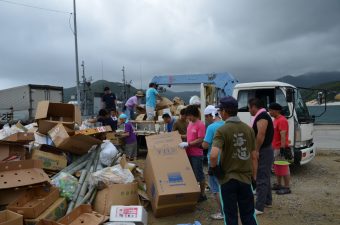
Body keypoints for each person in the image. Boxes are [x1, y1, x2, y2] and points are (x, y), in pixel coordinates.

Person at [210, 96, 257, 225]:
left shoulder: (222, 130)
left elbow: (213, 155)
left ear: (225, 111)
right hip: (245, 179)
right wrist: (254, 178)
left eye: (220, 110)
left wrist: (214, 169)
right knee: (248, 215)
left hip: (228, 180)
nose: (219, 113)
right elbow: (254, 156)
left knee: (231, 217)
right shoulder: (249, 129)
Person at [248, 98, 274, 215]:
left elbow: (261, 134)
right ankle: (267, 200)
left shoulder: (262, 116)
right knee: (265, 176)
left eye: (249, 107)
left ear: (254, 106)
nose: (249, 110)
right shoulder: (263, 115)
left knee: (261, 177)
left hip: (263, 150)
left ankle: (259, 207)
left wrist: (256, 150)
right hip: (265, 149)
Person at [178, 105, 207, 202]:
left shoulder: (200, 124)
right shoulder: (190, 124)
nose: (188, 118)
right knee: (190, 174)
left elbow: (200, 139)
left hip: (196, 154)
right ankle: (193, 192)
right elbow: (189, 135)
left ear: (194, 114)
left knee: (199, 175)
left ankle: (202, 194)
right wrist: (181, 136)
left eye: (190, 116)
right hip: (188, 152)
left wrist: (188, 143)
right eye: (187, 116)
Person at [202, 105, 225, 220]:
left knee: (216, 189)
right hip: (226, 160)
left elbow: (205, 145)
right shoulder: (226, 124)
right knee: (225, 187)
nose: (206, 119)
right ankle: (230, 209)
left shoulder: (211, 127)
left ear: (210, 115)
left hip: (214, 161)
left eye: (206, 117)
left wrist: (202, 142)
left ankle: (223, 212)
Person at [268, 102, 292, 195]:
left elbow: (283, 134)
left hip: (280, 147)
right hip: (275, 147)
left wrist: (282, 148)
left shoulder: (282, 120)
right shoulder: (275, 120)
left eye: (270, 110)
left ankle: (287, 187)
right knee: (277, 167)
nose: (269, 112)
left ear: (276, 110)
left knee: (284, 167)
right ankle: (278, 184)